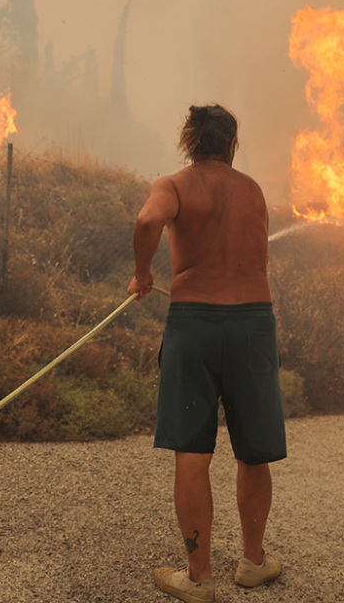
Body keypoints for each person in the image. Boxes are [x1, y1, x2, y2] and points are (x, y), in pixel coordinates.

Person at [128, 104, 285, 603]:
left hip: (194, 324)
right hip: (252, 325)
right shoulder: (253, 191)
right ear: (232, 144)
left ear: (189, 141)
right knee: (253, 449)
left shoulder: (174, 186)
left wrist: (142, 274)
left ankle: (199, 579)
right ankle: (253, 563)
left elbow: (147, 220)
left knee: (193, 452)